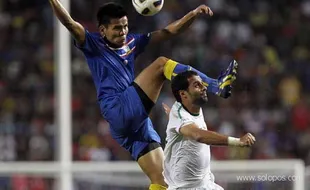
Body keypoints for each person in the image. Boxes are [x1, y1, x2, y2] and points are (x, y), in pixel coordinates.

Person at [48, 1, 238, 189]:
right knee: (162, 64)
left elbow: (169, 31)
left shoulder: (132, 41)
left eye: (125, 26)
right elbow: (69, 23)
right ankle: (215, 85)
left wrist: (193, 14)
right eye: (117, 28)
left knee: (163, 181)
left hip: (134, 123)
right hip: (118, 107)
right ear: (103, 30)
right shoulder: (92, 44)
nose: (122, 32)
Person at [163, 71, 256, 190]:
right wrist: (237, 142)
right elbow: (198, 135)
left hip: (206, 185)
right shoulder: (180, 114)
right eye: (197, 85)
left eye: (202, 84)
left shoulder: (193, 108)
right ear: (183, 94)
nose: (204, 88)